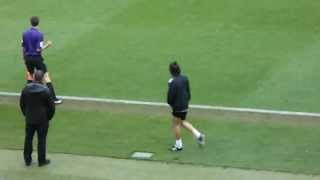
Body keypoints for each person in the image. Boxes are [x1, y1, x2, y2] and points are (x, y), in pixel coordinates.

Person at [21, 16, 62, 104]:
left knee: (30, 77)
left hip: (28, 58)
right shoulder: (39, 35)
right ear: (38, 23)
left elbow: (23, 47)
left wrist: (24, 58)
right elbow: (38, 49)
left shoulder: (24, 33)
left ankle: (27, 97)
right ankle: (53, 98)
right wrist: (47, 45)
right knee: (46, 77)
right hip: (37, 58)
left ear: (30, 22)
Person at [20, 70, 55, 167]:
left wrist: (26, 114)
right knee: (42, 140)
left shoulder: (26, 89)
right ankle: (41, 161)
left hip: (30, 119)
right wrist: (48, 117)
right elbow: (51, 107)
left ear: (34, 78)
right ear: (42, 79)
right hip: (42, 120)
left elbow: (22, 104)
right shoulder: (46, 91)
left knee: (28, 139)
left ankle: (27, 160)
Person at [167, 62, 205, 151]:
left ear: (171, 71)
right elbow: (188, 91)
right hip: (185, 104)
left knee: (176, 124)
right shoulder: (185, 78)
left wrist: (171, 103)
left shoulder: (172, 82)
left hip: (177, 107)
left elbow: (170, 97)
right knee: (182, 121)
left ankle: (179, 145)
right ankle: (199, 135)